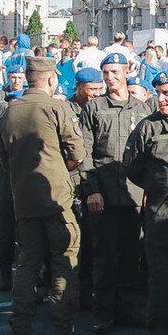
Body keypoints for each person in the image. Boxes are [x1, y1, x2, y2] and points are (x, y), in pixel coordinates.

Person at [0, 56, 94, 335]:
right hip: (56, 200)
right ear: (51, 79)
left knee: (26, 265)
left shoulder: (8, 111)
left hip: (24, 199)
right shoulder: (56, 107)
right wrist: (60, 170)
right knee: (64, 263)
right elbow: (77, 154)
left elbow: (3, 160)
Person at [78, 53, 151, 333]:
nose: (110, 78)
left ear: (127, 72)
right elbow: (84, 152)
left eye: (115, 72)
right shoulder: (94, 108)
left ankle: (130, 308)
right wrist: (91, 190)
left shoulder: (142, 108)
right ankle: (104, 312)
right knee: (104, 255)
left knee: (133, 254)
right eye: (106, 73)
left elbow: (149, 152)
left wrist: (149, 189)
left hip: (134, 193)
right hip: (105, 192)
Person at [124, 69, 168, 335]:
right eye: (159, 93)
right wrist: (156, 185)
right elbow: (132, 166)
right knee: (162, 275)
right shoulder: (147, 128)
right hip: (161, 211)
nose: (163, 99)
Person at [0, 63, 28, 291]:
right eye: (13, 76)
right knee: (5, 222)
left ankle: (29, 275)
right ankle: (4, 272)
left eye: (20, 77)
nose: (17, 80)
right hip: (6, 170)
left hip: (27, 178)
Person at [67, 67, 105, 310]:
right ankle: (74, 293)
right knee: (74, 242)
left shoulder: (100, 107)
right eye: (91, 90)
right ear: (79, 87)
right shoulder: (66, 109)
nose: (95, 94)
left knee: (94, 242)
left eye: (99, 89)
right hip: (73, 182)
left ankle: (90, 291)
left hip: (91, 180)